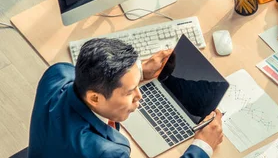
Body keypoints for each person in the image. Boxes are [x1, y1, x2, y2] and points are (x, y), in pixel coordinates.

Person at [28, 38, 223, 157]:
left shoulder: (58, 73)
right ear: (95, 99)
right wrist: (202, 146)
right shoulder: (107, 152)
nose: (140, 95)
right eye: (130, 91)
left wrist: (139, 73)